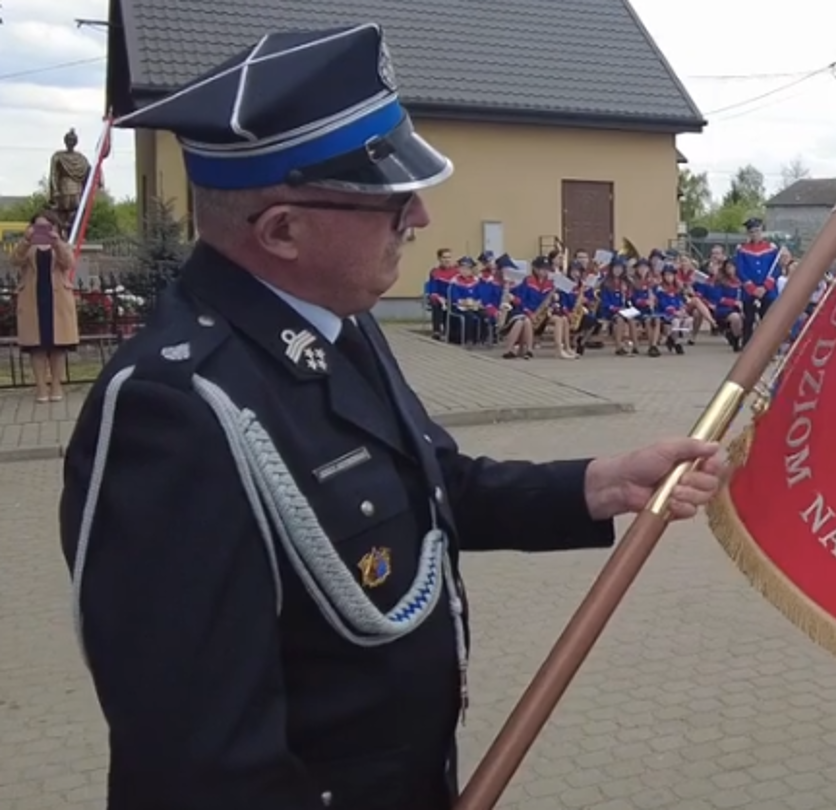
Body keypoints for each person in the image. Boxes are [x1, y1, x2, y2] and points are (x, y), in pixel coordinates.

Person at [56, 25, 728, 809]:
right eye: (388, 202)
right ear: (282, 230)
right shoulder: (170, 411)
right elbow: (199, 763)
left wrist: (600, 483)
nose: (420, 218)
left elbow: (431, 485)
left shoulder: (336, 321)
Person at [8, 212, 80, 403]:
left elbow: (69, 264)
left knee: (58, 346)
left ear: (55, 227)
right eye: (38, 226)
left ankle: (56, 385)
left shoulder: (62, 245)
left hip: (58, 301)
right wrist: (26, 240)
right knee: (36, 347)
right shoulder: (26, 246)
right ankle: (40, 386)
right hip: (33, 299)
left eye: (47, 226)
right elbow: (15, 261)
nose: (42, 230)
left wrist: (56, 243)